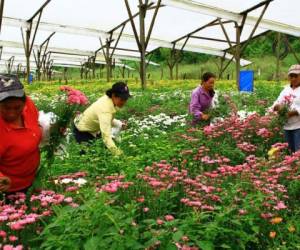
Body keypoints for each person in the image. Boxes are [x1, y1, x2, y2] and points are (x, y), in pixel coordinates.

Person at [0, 74, 42, 193]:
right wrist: (1, 179)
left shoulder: (29, 106)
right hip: (9, 189)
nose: (12, 113)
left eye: (17, 107)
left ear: (24, 103)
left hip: (32, 180)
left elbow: (35, 123)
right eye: (6, 108)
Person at [73, 82, 130, 156]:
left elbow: (106, 119)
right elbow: (106, 137)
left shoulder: (109, 99)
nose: (124, 102)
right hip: (82, 129)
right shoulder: (105, 109)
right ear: (113, 95)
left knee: (103, 152)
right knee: (87, 157)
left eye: (125, 99)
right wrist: (119, 154)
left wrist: (119, 124)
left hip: (93, 128)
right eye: (122, 99)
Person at [271, 64, 300, 153]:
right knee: (290, 153)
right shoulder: (286, 89)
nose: (293, 78)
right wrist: (277, 107)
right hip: (287, 126)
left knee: (298, 152)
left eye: (296, 76)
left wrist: (294, 112)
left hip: (298, 127)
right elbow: (277, 103)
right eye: (291, 76)